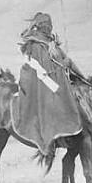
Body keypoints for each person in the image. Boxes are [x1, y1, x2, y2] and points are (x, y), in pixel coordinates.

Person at [11, 12, 85, 156]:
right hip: (38, 77)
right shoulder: (36, 44)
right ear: (40, 26)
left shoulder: (49, 41)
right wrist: (61, 66)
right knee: (53, 97)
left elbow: (59, 58)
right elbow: (43, 66)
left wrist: (64, 61)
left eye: (49, 25)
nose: (48, 28)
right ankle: (49, 136)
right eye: (46, 25)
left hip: (51, 74)